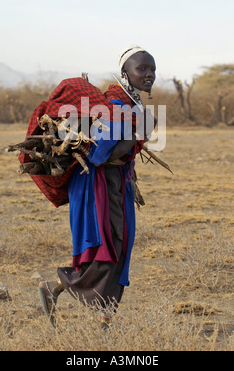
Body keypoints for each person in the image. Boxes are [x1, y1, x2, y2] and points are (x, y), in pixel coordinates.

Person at [38, 45, 156, 328]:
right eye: (142, 69)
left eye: (152, 70)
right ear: (125, 73)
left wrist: (139, 131)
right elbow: (102, 155)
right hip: (97, 183)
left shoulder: (133, 104)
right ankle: (58, 289)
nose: (149, 75)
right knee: (108, 247)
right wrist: (138, 133)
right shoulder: (115, 105)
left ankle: (98, 316)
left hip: (118, 184)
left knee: (121, 247)